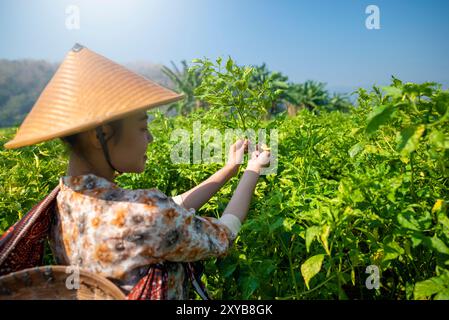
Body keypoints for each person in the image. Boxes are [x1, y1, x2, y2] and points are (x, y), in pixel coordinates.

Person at [2, 43, 271, 299]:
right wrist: (253, 169)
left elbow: (169, 212)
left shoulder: (62, 200)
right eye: (143, 128)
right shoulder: (147, 215)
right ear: (102, 135)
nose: (150, 138)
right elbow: (222, 234)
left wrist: (228, 169)